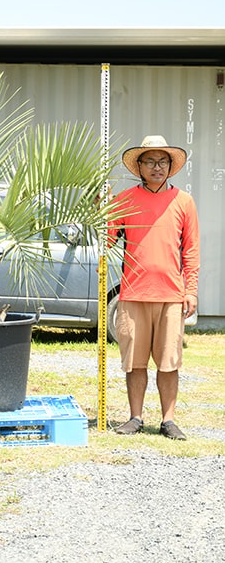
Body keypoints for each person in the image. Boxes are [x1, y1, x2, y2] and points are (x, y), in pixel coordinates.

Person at [108, 135, 200, 440]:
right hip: (133, 293)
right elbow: (108, 241)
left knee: (169, 361)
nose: (157, 167)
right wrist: (102, 211)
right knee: (134, 362)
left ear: (171, 166)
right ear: (140, 167)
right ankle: (135, 417)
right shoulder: (124, 200)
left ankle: (168, 420)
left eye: (163, 161)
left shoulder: (184, 202)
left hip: (171, 296)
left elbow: (191, 250)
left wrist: (191, 291)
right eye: (150, 161)